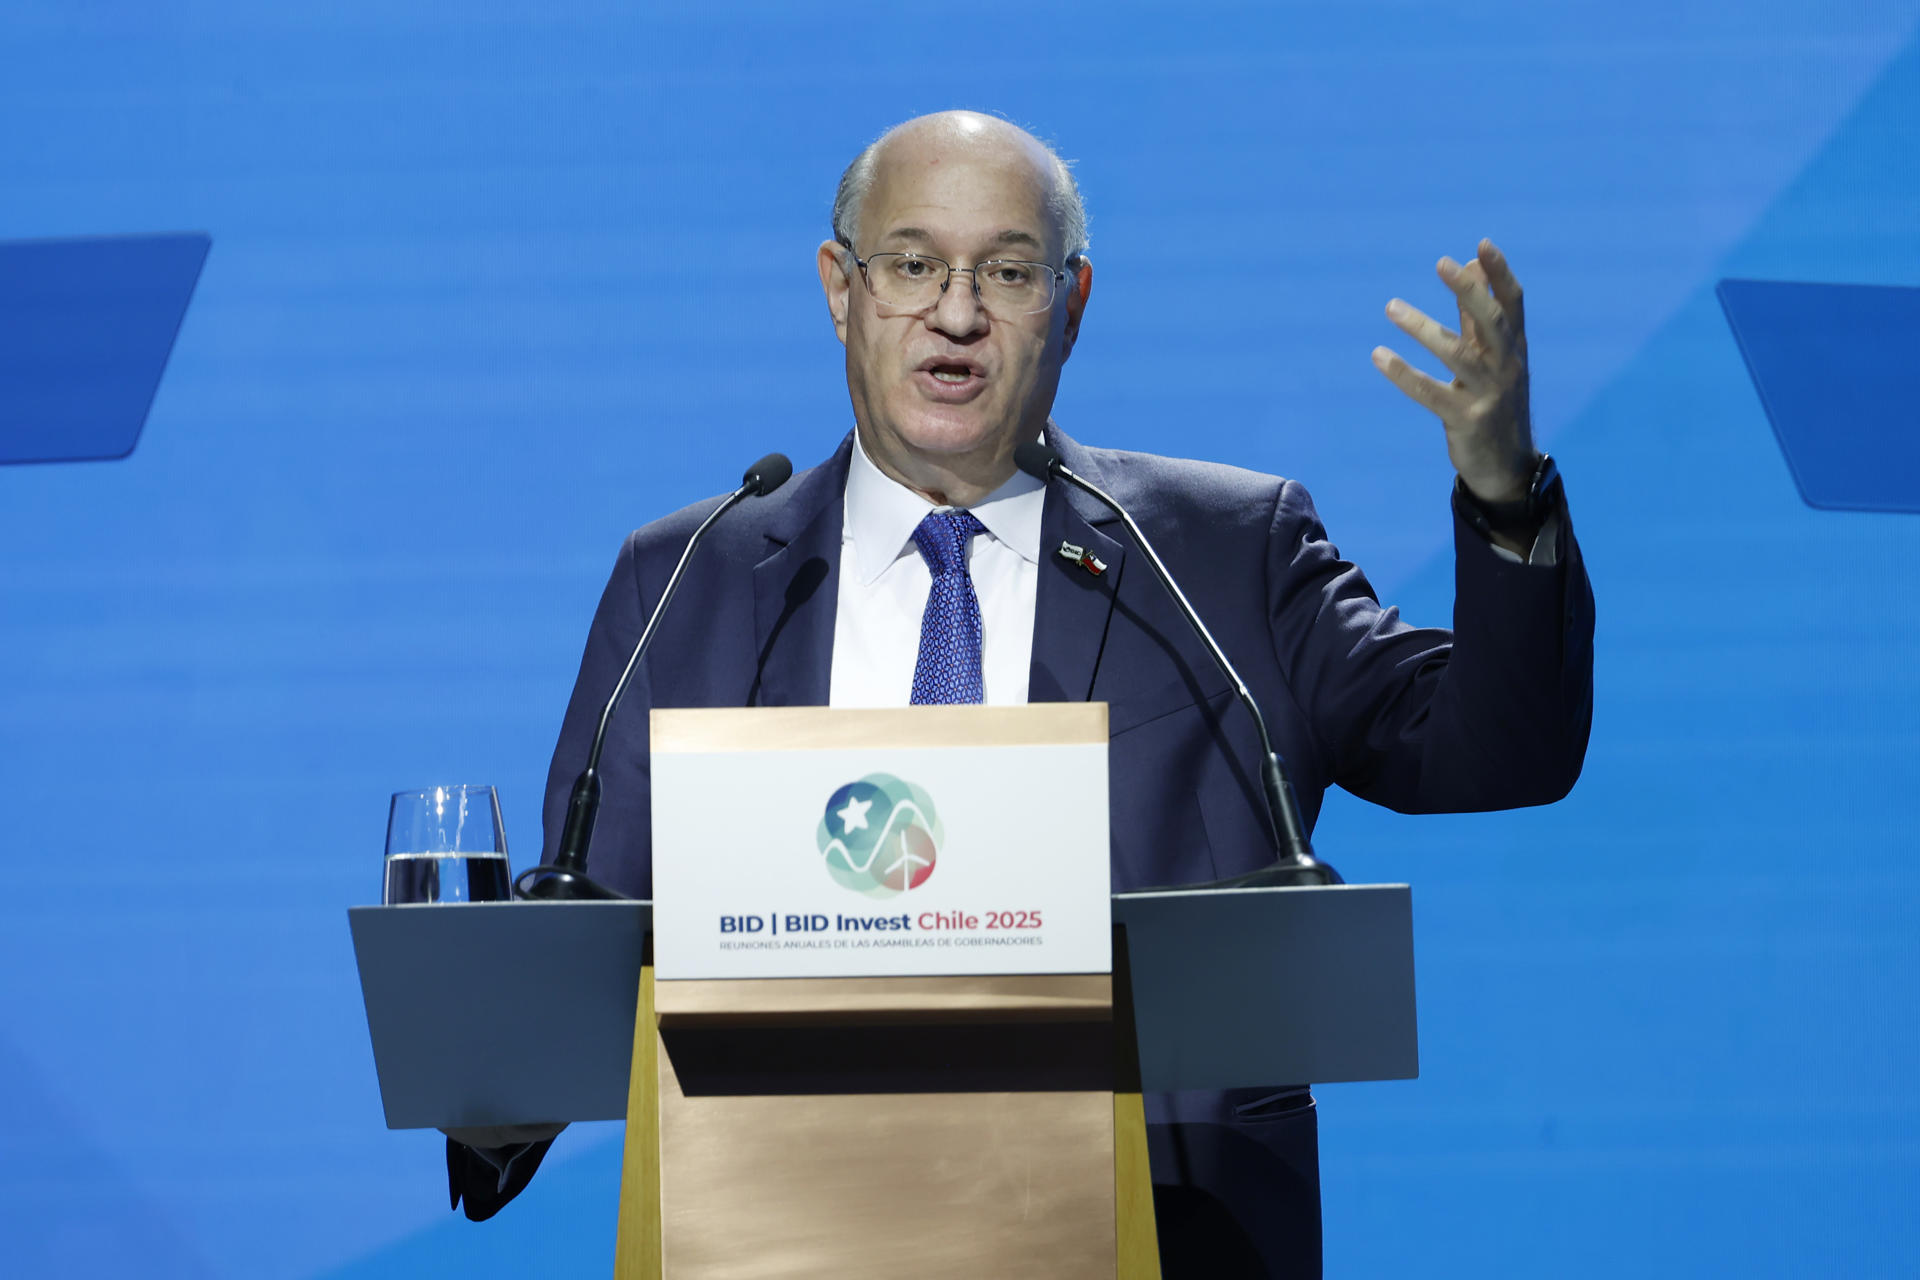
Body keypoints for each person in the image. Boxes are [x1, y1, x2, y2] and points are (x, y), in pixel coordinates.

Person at [446, 110, 1594, 1278]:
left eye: (1006, 271)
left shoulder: (1220, 553)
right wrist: (496, 1092)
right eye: (911, 265)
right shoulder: (688, 577)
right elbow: (588, 945)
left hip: (1161, 1232)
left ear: (1076, 301)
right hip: (770, 1235)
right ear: (840, 289)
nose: (957, 313)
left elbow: (1492, 750)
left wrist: (1504, 499)